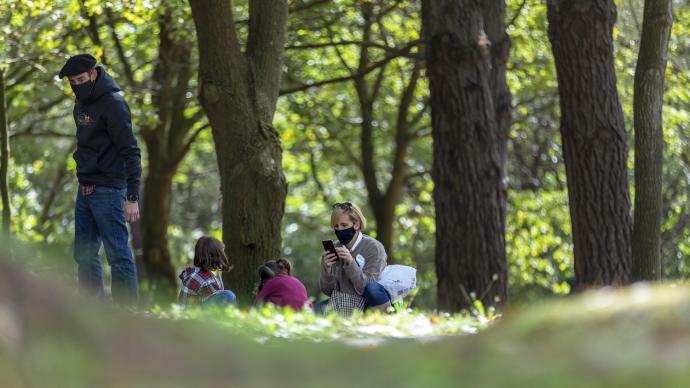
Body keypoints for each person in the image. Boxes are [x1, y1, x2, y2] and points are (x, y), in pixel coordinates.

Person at [59, 54, 141, 304]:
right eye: (72, 81)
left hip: (109, 189)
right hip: (84, 188)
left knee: (118, 255)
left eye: (81, 79)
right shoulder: (80, 102)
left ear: (94, 74)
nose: (77, 84)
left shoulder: (113, 103)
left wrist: (132, 197)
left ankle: (127, 315)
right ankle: (93, 311)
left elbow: (131, 151)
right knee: (83, 254)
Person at [317, 202, 391, 313]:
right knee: (313, 310)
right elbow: (328, 291)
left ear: (356, 224)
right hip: (343, 303)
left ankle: (387, 314)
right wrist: (327, 271)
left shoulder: (374, 247)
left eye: (344, 225)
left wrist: (351, 262)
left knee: (373, 288)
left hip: (369, 302)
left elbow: (368, 288)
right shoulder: (335, 248)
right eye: (336, 226)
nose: (340, 230)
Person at [178, 236, 236, 307]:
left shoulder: (195, 272)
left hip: (187, 312)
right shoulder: (205, 279)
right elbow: (217, 299)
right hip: (195, 315)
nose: (223, 258)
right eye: (221, 255)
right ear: (214, 257)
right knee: (228, 295)